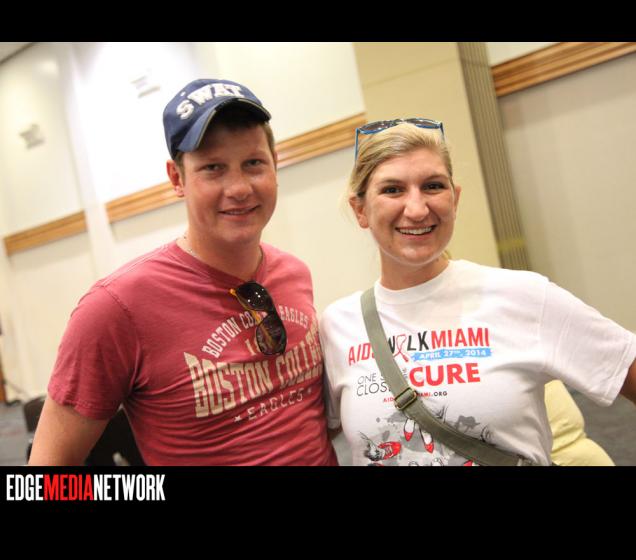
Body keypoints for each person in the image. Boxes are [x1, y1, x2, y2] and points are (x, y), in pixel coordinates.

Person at [28, 78, 337, 466]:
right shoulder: (115, 308)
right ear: (177, 179)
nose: (239, 188)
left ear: (275, 165)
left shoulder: (294, 273)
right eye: (213, 168)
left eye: (253, 163)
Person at [319, 118, 636, 466]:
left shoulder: (524, 296)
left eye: (433, 186)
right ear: (360, 209)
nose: (417, 209)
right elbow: (299, 440)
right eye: (392, 190)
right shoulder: (338, 326)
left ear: (454, 200)